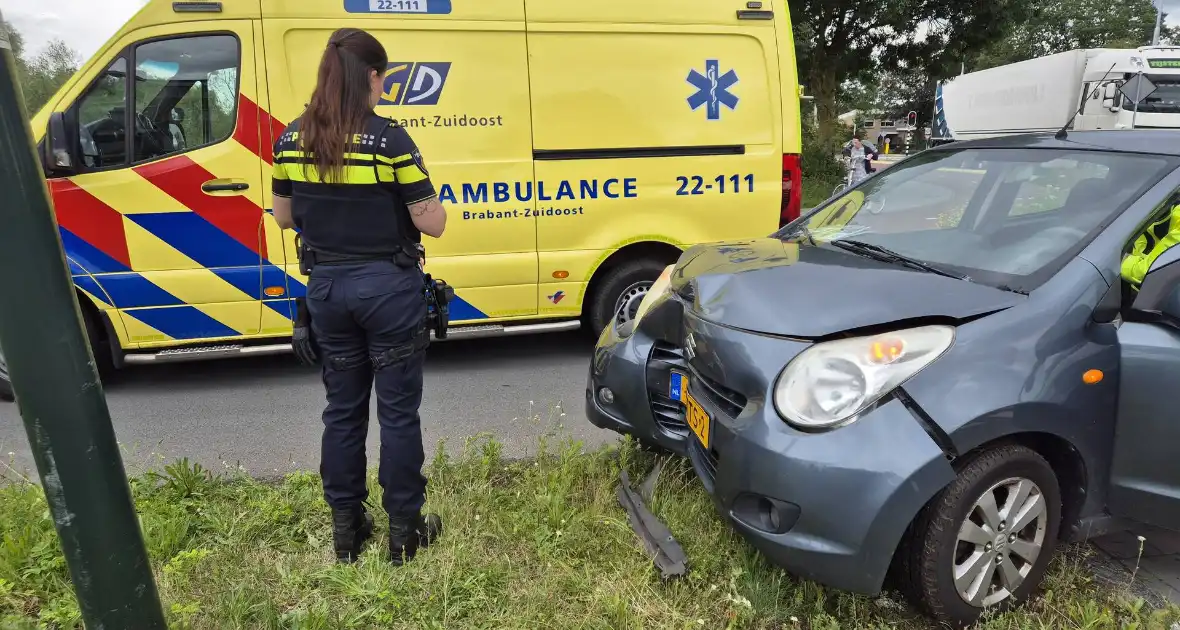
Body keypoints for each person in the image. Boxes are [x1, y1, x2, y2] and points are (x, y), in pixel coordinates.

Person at [270, 27, 448, 565]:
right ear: (370, 76)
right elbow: (432, 223)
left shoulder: (290, 138)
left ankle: (346, 531)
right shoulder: (390, 139)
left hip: (326, 288)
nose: (383, 89)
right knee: (397, 414)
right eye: (382, 80)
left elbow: (283, 216)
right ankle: (404, 533)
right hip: (388, 289)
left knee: (342, 413)